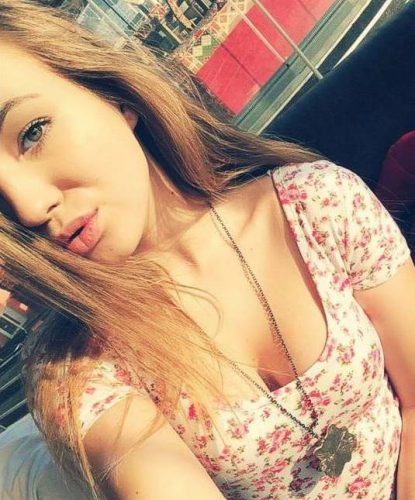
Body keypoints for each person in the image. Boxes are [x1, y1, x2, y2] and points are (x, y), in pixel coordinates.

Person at [0, 1, 414, 498]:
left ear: (112, 96)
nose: (28, 206)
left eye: (32, 133)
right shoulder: (77, 370)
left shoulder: (317, 205)